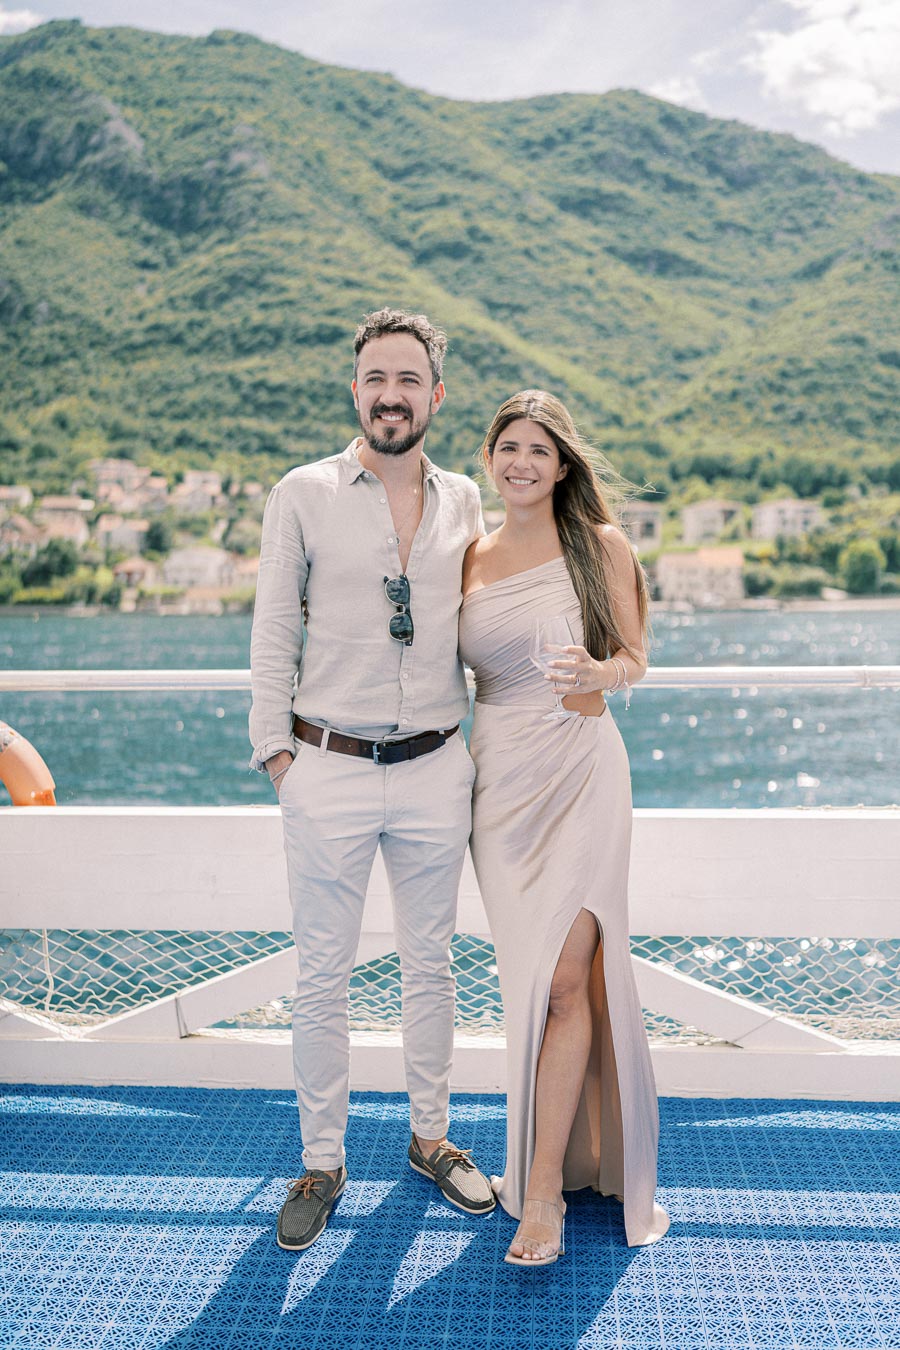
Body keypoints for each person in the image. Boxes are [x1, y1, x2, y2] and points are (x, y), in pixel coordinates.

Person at [249, 308, 495, 1253]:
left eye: (408, 380)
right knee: (322, 974)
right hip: (328, 764)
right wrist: (279, 755)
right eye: (374, 379)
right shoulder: (302, 492)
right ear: (355, 390)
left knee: (431, 968)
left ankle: (431, 1140)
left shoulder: (466, 498)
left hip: (437, 765)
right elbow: (274, 628)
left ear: (436, 394)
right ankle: (322, 1163)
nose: (391, 396)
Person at [459, 390, 670, 1265]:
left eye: (540, 451)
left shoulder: (601, 546)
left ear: (563, 464)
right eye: (509, 446)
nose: (522, 463)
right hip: (499, 787)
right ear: (490, 456)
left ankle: (540, 1194)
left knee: (566, 982)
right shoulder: (467, 556)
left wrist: (599, 668)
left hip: (583, 771)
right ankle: (555, 1157)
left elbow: (633, 661)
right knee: (528, 984)